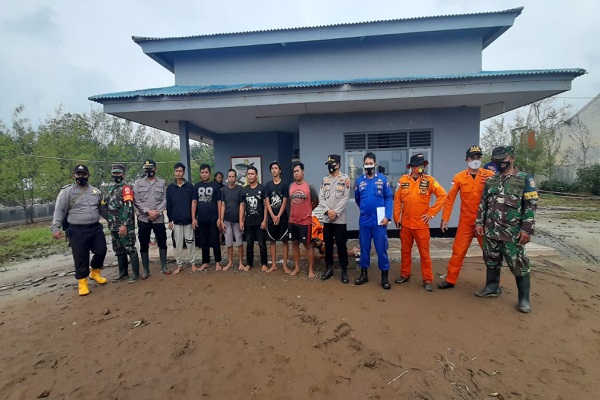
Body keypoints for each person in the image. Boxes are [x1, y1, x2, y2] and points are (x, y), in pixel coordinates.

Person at [475, 146, 538, 313]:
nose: (499, 164)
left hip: (512, 232)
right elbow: (483, 203)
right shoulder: (491, 180)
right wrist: (479, 223)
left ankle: (524, 299)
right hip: (491, 230)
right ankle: (492, 288)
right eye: (496, 161)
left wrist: (527, 229)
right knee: (491, 260)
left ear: (512, 158)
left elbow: (530, 206)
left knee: (519, 264)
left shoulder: (525, 179)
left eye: (502, 161)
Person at [438, 146, 495, 289]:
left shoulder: (490, 176)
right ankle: (450, 279)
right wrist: (445, 219)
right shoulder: (459, 177)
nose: (475, 160)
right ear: (466, 160)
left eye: (478, 157)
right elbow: (450, 199)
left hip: (484, 222)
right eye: (472, 158)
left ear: (481, 159)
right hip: (466, 221)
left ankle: (494, 283)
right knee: (458, 251)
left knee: (490, 253)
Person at [51, 164, 107, 296]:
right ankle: (82, 282)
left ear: (88, 175)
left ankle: (95, 272)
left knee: (101, 250)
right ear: (74, 175)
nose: (81, 177)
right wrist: (56, 228)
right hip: (77, 230)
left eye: (84, 174)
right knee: (81, 257)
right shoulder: (67, 192)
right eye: (78, 174)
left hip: (95, 228)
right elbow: (59, 210)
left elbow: (103, 210)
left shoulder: (96, 192)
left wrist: (114, 221)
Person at [393, 153, 447, 292]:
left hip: (421, 225)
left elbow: (442, 195)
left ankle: (427, 279)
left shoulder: (429, 181)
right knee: (405, 251)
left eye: (423, 165)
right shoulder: (403, 180)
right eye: (419, 165)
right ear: (412, 167)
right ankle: (405, 274)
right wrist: (396, 217)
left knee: (424, 253)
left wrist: (431, 213)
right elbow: (397, 199)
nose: (422, 167)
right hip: (405, 224)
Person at [354, 152, 394, 289]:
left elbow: (389, 198)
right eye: (366, 163)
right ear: (363, 165)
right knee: (364, 247)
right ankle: (364, 274)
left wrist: (387, 216)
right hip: (365, 220)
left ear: (375, 164)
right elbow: (358, 199)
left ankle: (384, 277)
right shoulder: (359, 181)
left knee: (381, 248)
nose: (368, 165)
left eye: (371, 163)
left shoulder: (382, 180)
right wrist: (365, 208)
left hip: (379, 220)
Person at [134, 159, 171, 277]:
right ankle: (146, 270)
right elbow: (136, 200)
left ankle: (164, 266)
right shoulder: (138, 183)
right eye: (146, 169)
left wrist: (156, 212)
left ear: (155, 169)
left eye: (150, 168)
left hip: (158, 218)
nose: (148, 171)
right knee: (144, 243)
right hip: (144, 218)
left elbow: (165, 199)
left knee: (162, 241)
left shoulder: (161, 182)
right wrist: (147, 211)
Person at [105, 164, 140, 283]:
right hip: (113, 225)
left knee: (130, 248)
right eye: (114, 173)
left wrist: (124, 224)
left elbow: (128, 207)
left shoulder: (126, 189)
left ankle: (135, 274)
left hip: (125, 225)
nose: (116, 175)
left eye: (118, 173)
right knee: (119, 250)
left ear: (123, 174)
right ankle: (123, 272)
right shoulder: (111, 189)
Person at [318, 154, 351, 284]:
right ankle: (329, 268)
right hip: (327, 219)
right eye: (328, 165)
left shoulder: (345, 179)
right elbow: (321, 198)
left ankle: (344, 270)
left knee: (341, 245)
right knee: (328, 245)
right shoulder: (325, 179)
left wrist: (335, 213)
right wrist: (328, 211)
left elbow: (345, 198)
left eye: (331, 164)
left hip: (339, 220)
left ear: (337, 165)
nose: (329, 167)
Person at [288, 161, 320, 278]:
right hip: (292, 221)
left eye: (298, 171)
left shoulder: (309, 186)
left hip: (305, 222)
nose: (296, 174)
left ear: (303, 172)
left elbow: (316, 201)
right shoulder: (291, 186)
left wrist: (308, 210)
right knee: (295, 244)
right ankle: (297, 268)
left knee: (308, 246)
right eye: (294, 172)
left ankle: (310, 269)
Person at [192, 163, 223, 271]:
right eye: (202, 172)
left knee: (215, 241)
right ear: (200, 174)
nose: (204, 174)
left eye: (206, 172)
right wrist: (193, 218)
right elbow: (194, 202)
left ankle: (218, 262)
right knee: (203, 241)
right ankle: (205, 262)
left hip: (213, 219)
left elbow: (219, 202)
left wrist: (219, 218)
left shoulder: (215, 186)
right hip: (202, 219)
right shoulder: (196, 186)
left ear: (210, 173)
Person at [166, 162, 196, 274]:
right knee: (178, 244)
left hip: (188, 220)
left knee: (190, 242)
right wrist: (170, 220)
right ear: (174, 173)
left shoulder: (189, 186)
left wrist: (194, 218)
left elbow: (193, 204)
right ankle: (179, 265)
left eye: (180, 171)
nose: (178, 173)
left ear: (184, 173)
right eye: (177, 171)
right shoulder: (170, 188)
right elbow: (169, 205)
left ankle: (193, 263)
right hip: (177, 222)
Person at [240, 166, 268, 270]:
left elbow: (266, 205)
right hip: (248, 222)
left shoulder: (262, 188)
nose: (250, 176)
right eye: (249, 174)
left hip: (260, 222)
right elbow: (242, 206)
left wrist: (265, 220)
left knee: (262, 243)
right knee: (249, 244)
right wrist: (241, 220)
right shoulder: (244, 189)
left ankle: (264, 263)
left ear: (256, 175)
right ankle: (249, 264)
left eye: (252, 174)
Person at [265, 161, 290, 273]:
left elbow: (285, 201)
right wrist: (272, 216)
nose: (274, 170)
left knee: (285, 241)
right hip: (271, 217)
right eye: (272, 168)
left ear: (280, 170)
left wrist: (278, 216)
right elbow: (267, 201)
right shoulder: (268, 185)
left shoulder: (285, 184)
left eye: (276, 168)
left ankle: (285, 265)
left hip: (282, 217)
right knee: (272, 241)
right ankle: (274, 264)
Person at [220, 169, 245, 271]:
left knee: (239, 243)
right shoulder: (224, 190)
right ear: (227, 178)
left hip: (237, 221)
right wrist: (221, 221)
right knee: (229, 243)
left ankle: (241, 263)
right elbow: (222, 205)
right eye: (229, 177)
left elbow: (242, 205)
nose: (231, 178)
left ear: (236, 178)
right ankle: (230, 262)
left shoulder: (240, 189)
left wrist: (241, 220)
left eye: (233, 176)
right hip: (227, 221)